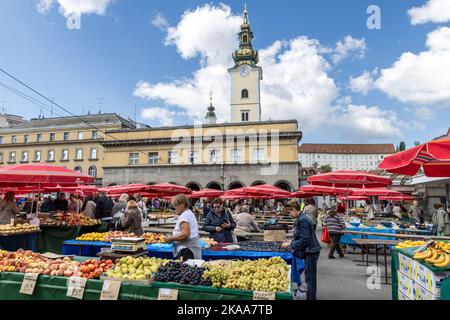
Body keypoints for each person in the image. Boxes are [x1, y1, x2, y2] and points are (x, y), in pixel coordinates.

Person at [282, 200, 321, 300]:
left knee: (310, 278)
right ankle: (311, 296)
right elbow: (303, 236)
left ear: (294, 210)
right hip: (311, 250)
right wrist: (291, 241)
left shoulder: (302, 220)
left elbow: (305, 239)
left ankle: (311, 298)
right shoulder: (302, 218)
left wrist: (291, 244)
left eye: (290, 212)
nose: (290, 214)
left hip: (311, 251)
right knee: (309, 276)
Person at [164, 194, 202, 261]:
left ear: (183, 205)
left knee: (188, 269)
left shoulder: (184, 216)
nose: (174, 208)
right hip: (191, 249)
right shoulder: (188, 213)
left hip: (187, 250)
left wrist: (171, 238)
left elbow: (185, 235)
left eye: (176, 205)